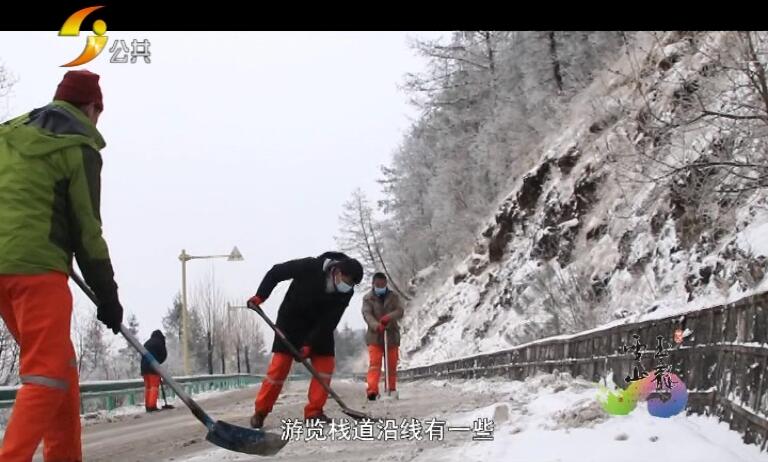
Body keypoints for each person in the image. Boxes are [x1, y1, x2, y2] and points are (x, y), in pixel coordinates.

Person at [0, 69, 123, 462]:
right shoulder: (78, 147)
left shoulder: (8, 135)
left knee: (61, 370)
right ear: (92, 108)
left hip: (5, 270)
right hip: (36, 271)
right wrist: (108, 295)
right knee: (46, 374)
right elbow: (88, 231)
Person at [247, 251, 363, 428]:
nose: (348, 287)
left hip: (319, 328)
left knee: (325, 365)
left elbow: (330, 321)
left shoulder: (346, 292)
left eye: (352, 285)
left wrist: (309, 344)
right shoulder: (310, 266)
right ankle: (260, 412)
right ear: (338, 272)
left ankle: (314, 412)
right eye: (347, 282)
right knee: (279, 368)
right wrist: (261, 296)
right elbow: (276, 272)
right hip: (291, 322)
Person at [362, 272, 404, 400]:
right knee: (375, 364)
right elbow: (367, 315)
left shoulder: (394, 296)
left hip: (391, 335)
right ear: (373, 284)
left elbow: (400, 311)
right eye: (378, 284)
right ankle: (372, 391)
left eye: (383, 284)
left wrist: (388, 317)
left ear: (386, 283)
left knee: (391, 365)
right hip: (374, 337)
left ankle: (391, 388)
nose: (380, 286)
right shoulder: (367, 298)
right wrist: (376, 325)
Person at [141, 330, 168, 412]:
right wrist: (158, 362)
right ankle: (151, 406)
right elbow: (164, 355)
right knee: (154, 387)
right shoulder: (160, 342)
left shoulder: (147, 343)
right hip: (153, 367)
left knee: (148, 387)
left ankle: (148, 405)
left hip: (144, 368)